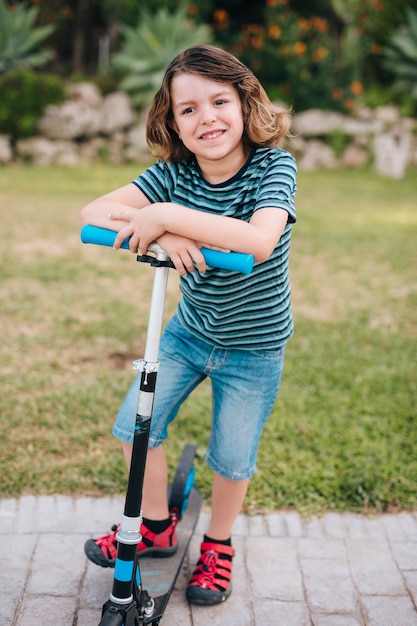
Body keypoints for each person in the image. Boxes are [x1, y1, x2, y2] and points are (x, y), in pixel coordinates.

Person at [81, 44, 297, 606]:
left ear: (245, 104)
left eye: (219, 101)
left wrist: (165, 218)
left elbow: (258, 239)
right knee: (135, 428)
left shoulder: (274, 168)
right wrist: (166, 235)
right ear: (172, 123)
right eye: (189, 110)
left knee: (231, 454)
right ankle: (155, 524)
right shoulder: (174, 174)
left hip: (254, 347)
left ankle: (219, 543)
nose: (208, 119)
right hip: (189, 333)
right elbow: (93, 213)